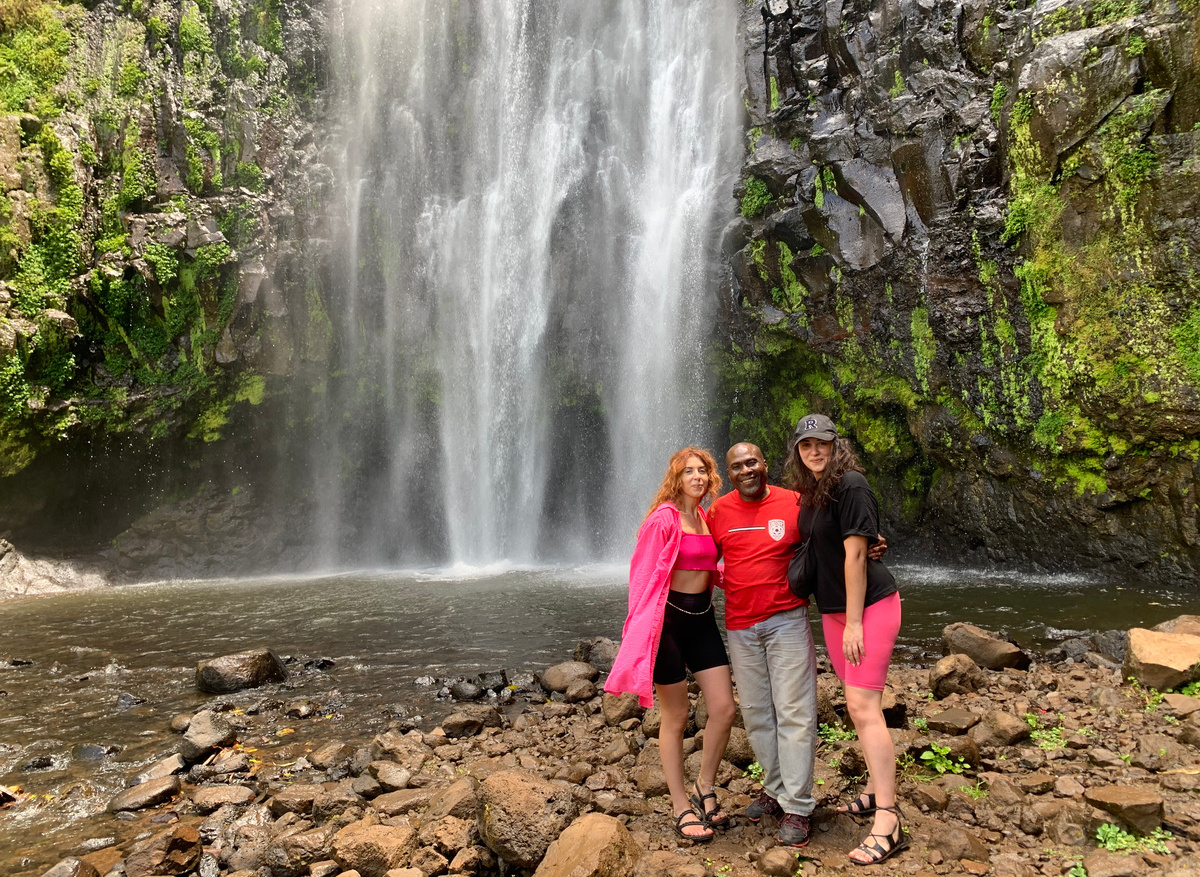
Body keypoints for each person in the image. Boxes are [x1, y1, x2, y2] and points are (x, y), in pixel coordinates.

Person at [784, 413, 907, 866]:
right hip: (837, 613)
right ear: (798, 451)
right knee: (861, 704)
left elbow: (856, 556)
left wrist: (854, 622)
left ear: (836, 444)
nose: (814, 450)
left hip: (867, 608)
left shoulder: (852, 483)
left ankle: (889, 820)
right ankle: (876, 790)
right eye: (806, 445)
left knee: (862, 707)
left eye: (822, 443)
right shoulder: (814, 493)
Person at [605, 448, 736, 843]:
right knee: (676, 717)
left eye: (703, 471)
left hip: (702, 621)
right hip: (667, 626)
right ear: (676, 478)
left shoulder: (706, 519)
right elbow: (642, 576)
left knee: (725, 709)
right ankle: (680, 806)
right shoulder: (663, 520)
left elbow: (717, 564)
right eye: (689, 471)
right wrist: (639, 633)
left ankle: (704, 786)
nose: (697, 477)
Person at [706, 442, 819, 847]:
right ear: (730, 474)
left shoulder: (795, 502)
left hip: (786, 620)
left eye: (752, 462)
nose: (747, 470)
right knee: (756, 714)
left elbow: (831, 533)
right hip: (740, 626)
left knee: (794, 711)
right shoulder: (718, 512)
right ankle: (774, 789)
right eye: (737, 466)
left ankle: (799, 806)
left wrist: (870, 539)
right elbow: (694, 550)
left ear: (765, 464)